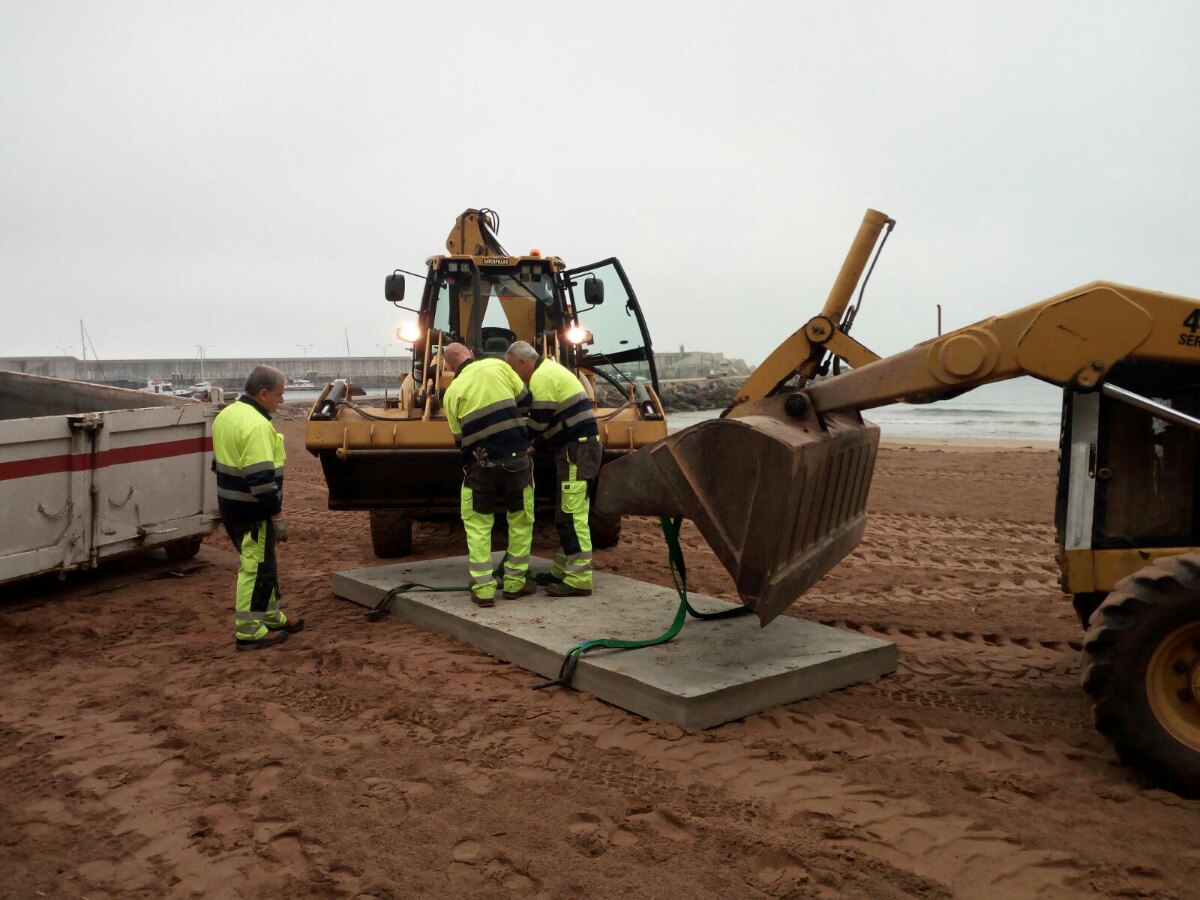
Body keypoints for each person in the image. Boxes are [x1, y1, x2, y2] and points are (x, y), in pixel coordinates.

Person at [211, 366, 305, 650]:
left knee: (266, 564)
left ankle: (270, 615)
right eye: (280, 394)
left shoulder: (227, 415)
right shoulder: (257, 425)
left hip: (231, 505)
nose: (283, 400)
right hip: (252, 511)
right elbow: (261, 479)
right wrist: (276, 515)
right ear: (263, 393)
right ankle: (249, 630)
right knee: (254, 567)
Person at [442, 343, 537, 607]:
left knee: (478, 525)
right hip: (516, 461)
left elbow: (459, 439)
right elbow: (526, 399)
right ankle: (515, 584)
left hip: (479, 465)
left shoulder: (451, 394)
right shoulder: (498, 366)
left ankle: (483, 590)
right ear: (471, 354)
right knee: (520, 520)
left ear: (450, 367)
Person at [504, 341, 601, 597]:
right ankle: (562, 570)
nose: (515, 376)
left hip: (577, 451)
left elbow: (539, 421)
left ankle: (579, 579)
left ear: (524, 363)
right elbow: (556, 424)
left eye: (513, 369)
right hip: (575, 448)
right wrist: (538, 444)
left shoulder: (542, 377)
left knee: (572, 515)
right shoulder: (551, 371)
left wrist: (516, 440)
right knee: (565, 514)